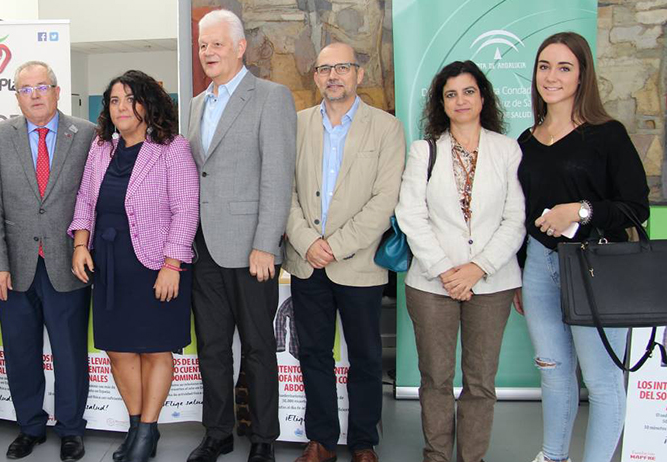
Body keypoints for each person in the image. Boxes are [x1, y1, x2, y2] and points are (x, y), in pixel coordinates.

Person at [517, 31, 649, 462]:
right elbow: (522, 216)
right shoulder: (527, 140)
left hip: (597, 269)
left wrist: (580, 210)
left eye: (564, 67)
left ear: (582, 76)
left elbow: (635, 208)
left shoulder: (607, 135)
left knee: (602, 380)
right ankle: (553, 456)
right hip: (539, 267)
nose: (551, 76)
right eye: (544, 66)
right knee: (553, 373)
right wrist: (520, 274)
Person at [394, 60, 525, 462]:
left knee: (481, 381)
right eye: (451, 94)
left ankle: (472, 458)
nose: (460, 100)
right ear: (441, 103)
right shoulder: (424, 151)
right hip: (433, 284)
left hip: (492, 282)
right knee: (435, 379)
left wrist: (477, 268)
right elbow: (410, 215)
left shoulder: (507, 149)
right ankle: (437, 455)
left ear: (482, 97)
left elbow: (515, 218)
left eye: (468, 91)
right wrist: (448, 271)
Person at [69, 70, 199, 462]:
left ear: (148, 104)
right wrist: (79, 243)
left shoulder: (172, 148)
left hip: (156, 265)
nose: (122, 107)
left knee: (156, 349)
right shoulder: (100, 149)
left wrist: (172, 264)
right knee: (119, 350)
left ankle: (148, 431)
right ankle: (136, 422)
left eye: (130, 99)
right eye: (114, 101)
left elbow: (186, 209)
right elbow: (85, 201)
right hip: (109, 265)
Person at [185, 9, 296, 462]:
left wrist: (266, 243)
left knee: (256, 348)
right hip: (204, 248)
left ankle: (264, 437)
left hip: (253, 250)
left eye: (216, 44)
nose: (208, 52)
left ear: (239, 46)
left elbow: (277, 176)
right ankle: (218, 433)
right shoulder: (196, 103)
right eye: (202, 45)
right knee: (211, 348)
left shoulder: (271, 97)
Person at [286, 42, 404, 462]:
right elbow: (284, 192)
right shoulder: (297, 124)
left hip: (359, 265)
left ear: (358, 74)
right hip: (307, 262)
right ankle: (320, 439)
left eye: (342, 68)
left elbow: (384, 200)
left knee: (367, 357)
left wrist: (334, 246)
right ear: (315, 76)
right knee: (314, 354)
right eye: (324, 69)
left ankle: (362, 443)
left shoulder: (386, 128)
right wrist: (306, 242)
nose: (333, 75)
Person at [0, 60, 96, 462]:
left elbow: (93, 198)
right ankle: (29, 426)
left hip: (67, 262)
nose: (35, 95)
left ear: (57, 90)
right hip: (13, 267)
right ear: (16, 96)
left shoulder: (86, 134)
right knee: (20, 352)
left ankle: (70, 429)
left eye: (42, 86)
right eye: (26, 89)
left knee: (69, 353)